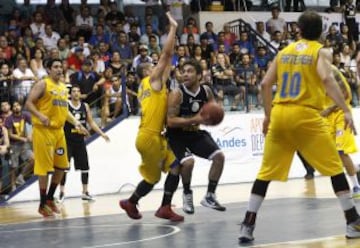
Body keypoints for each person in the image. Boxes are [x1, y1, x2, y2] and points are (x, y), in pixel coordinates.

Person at [238, 11, 360, 243]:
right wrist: (344, 109)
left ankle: (247, 225)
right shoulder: (320, 51)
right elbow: (326, 78)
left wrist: (267, 116)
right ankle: (352, 221)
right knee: (335, 168)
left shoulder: (283, 52)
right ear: (321, 32)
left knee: (264, 174)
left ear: (299, 30)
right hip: (306, 115)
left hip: (280, 114)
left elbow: (264, 84)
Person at [119, 12, 184, 222]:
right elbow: (165, 57)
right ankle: (141, 203)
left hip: (153, 136)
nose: (155, 65)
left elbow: (168, 59)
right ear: (146, 71)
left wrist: (172, 42)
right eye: (151, 65)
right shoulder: (150, 81)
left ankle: (149, 204)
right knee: (156, 176)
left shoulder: (152, 86)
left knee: (175, 167)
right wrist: (173, 28)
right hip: (149, 137)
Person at [25, 58, 88, 217]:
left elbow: (64, 110)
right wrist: (40, 116)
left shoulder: (63, 88)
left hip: (59, 132)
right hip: (43, 130)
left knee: (62, 166)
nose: (59, 69)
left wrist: (76, 123)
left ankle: (50, 198)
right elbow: (28, 104)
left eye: (61, 66)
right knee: (45, 169)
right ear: (49, 69)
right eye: (56, 66)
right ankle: (42, 204)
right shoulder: (43, 84)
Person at [166, 59, 226, 214]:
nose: (185, 74)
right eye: (183, 71)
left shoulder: (206, 91)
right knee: (188, 163)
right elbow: (170, 121)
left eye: (190, 71)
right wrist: (194, 119)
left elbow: (211, 109)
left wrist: (213, 116)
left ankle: (210, 196)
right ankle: (187, 194)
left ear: (199, 75)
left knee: (219, 157)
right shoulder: (176, 94)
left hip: (195, 133)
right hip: (176, 135)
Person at [59, 85, 110, 203]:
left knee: (85, 167)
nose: (76, 93)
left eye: (78, 91)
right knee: (64, 168)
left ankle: (85, 192)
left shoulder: (85, 106)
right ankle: (61, 192)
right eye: (74, 91)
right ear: (70, 94)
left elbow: (91, 122)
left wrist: (102, 134)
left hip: (80, 141)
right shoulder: (66, 105)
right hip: (67, 140)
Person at [321, 65, 360, 197]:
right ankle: (356, 169)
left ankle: (356, 186)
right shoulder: (308, 73)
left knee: (341, 151)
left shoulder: (330, 70)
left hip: (340, 112)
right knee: (334, 155)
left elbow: (346, 94)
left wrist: (329, 109)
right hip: (326, 117)